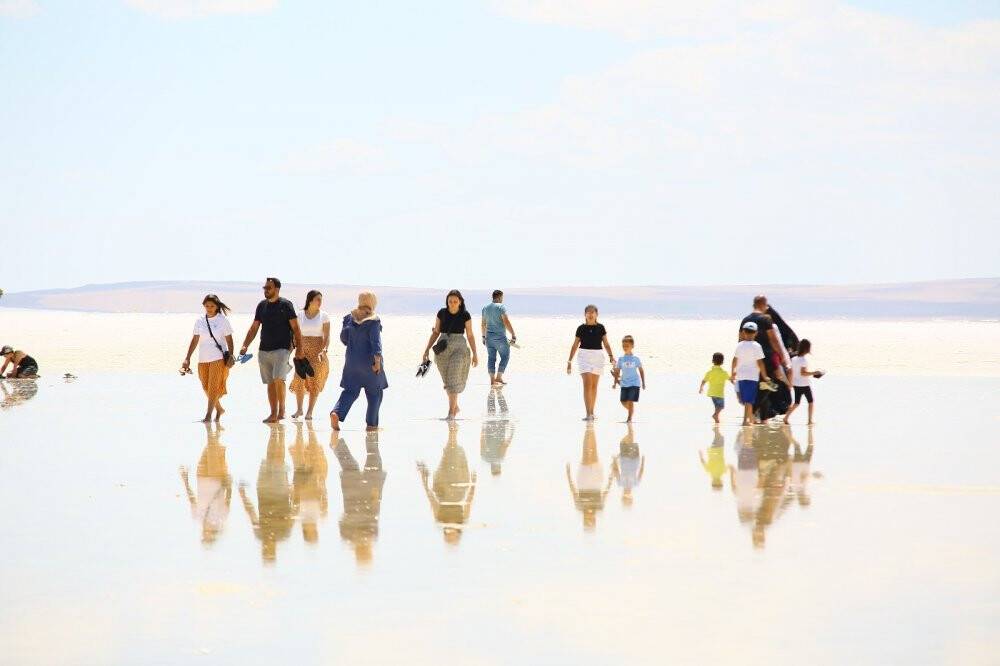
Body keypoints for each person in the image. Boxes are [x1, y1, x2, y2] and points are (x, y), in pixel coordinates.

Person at [239, 277, 304, 424]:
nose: (266, 290)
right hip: (264, 350)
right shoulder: (261, 306)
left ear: (277, 289)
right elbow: (254, 327)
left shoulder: (286, 305)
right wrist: (245, 345)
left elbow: (296, 328)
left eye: (269, 288)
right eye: (265, 288)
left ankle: (279, 411)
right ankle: (274, 412)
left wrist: (300, 349)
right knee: (270, 382)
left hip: (282, 349)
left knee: (278, 379)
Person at [330, 292, 387, 432]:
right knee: (375, 393)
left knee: (350, 391)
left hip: (351, 363)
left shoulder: (350, 318)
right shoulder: (374, 320)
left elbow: (344, 338)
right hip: (369, 363)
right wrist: (377, 361)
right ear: (373, 302)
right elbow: (376, 343)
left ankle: (337, 413)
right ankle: (371, 425)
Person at [422, 290, 479, 420]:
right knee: (448, 381)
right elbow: (436, 332)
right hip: (443, 350)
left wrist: (475, 354)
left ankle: (451, 413)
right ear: (447, 302)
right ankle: (455, 407)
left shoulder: (465, 315)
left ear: (460, 302)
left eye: (455, 301)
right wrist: (426, 350)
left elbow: (470, 335)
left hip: (459, 348)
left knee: (453, 379)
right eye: (450, 301)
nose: (452, 304)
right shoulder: (441, 313)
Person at [417, 423, 477, 545]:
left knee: (450, 454)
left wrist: (424, 480)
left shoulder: (440, 519)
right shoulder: (462, 520)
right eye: (452, 535)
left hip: (442, 488)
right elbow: (468, 502)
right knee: (452, 454)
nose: (450, 531)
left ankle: (452, 430)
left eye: (448, 535)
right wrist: (473, 484)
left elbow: (432, 500)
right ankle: (452, 430)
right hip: (458, 485)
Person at [333, 432, 386, 565]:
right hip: (352, 494)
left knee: (373, 456)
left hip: (366, 490)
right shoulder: (347, 536)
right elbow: (342, 520)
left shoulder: (371, 535)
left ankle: (338, 441)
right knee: (350, 466)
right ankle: (336, 443)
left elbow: (374, 508)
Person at [181, 294, 234, 422]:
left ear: (217, 306)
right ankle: (220, 409)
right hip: (203, 359)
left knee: (213, 387)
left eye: (212, 306)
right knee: (206, 387)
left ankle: (208, 415)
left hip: (218, 358)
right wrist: (187, 357)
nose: (209, 308)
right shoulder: (200, 321)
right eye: (207, 306)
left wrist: (231, 354)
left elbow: (229, 339)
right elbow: (195, 339)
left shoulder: (222, 320)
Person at [179, 422, 231, 545]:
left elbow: (191, 498)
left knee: (210, 447)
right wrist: (228, 484)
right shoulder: (221, 518)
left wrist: (185, 480)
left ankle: (215, 428)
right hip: (216, 477)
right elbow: (228, 499)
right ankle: (217, 429)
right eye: (206, 534)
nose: (204, 532)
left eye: (204, 534)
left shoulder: (198, 517)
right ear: (212, 533)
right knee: (213, 448)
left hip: (202, 476)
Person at [566, 305, 615, 421]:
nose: (590, 314)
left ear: (597, 314)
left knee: (594, 386)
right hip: (584, 356)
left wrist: (611, 356)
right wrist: (569, 361)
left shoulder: (601, 328)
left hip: (598, 356)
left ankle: (592, 412)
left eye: (593, 312)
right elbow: (574, 345)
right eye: (588, 312)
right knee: (587, 383)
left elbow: (606, 344)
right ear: (585, 314)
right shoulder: (581, 328)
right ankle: (588, 413)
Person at [289, 290, 331, 420]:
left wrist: (323, 350)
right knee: (299, 379)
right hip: (302, 350)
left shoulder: (324, 316)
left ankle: (310, 412)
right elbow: (295, 335)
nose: (320, 302)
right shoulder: (300, 315)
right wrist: (291, 351)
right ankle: (299, 409)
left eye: (321, 299)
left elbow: (326, 337)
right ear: (310, 300)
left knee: (314, 379)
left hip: (317, 351)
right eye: (317, 299)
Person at [565, 425, 613, 530]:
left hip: (586, 480)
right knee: (589, 452)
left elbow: (574, 492)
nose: (589, 517)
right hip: (592, 479)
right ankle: (590, 430)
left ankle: (590, 430)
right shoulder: (598, 507)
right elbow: (606, 491)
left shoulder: (580, 507)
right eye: (590, 520)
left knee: (589, 452)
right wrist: (611, 477)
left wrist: (568, 475)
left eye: (588, 520)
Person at [290, 422, 328, 544]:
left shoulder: (299, 517)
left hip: (305, 483)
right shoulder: (320, 515)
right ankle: (305, 428)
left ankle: (302, 429)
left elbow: (294, 498)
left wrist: (293, 488)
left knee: (303, 456)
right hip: (309, 483)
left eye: (311, 532)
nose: (313, 528)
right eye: (314, 532)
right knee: (309, 455)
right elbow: (324, 498)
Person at [740, 295, 790, 387]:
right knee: (774, 386)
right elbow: (773, 340)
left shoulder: (745, 320)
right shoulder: (766, 319)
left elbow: (741, 340)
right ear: (762, 304)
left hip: (751, 359)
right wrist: (782, 356)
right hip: (767, 359)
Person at [732, 321, 772, 426]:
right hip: (752, 376)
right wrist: (764, 376)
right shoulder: (757, 346)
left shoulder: (739, 345)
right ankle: (746, 421)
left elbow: (734, 360)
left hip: (741, 375)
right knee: (749, 400)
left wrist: (732, 373)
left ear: (743, 332)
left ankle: (750, 419)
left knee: (746, 399)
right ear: (756, 333)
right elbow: (760, 363)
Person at [480, 290, 517, 385]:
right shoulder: (501, 307)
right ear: (500, 297)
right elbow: (506, 321)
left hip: (489, 338)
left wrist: (483, 337)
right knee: (505, 356)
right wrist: (513, 334)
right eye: (502, 298)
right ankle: (499, 377)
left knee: (491, 358)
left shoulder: (485, 308)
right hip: (500, 337)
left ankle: (492, 380)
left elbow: (483, 324)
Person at [612, 335, 646, 422]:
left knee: (630, 400)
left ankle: (629, 418)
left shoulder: (636, 359)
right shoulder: (621, 359)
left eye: (627, 346)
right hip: (624, 383)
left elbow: (641, 371)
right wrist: (615, 382)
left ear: (632, 346)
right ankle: (631, 410)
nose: (625, 347)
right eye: (623, 346)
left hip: (634, 383)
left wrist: (643, 382)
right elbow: (617, 372)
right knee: (623, 401)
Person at [481, 388, 514, 476]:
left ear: (498, 468)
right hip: (489, 430)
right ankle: (492, 390)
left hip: (499, 430)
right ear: (491, 468)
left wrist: (512, 432)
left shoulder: (500, 458)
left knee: (504, 411)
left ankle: (498, 392)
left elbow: (505, 445)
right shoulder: (485, 458)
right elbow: (482, 442)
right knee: (491, 410)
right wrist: (483, 429)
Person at [784, 339, 817, 425]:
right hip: (804, 384)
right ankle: (809, 420)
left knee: (796, 403)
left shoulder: (794, 358)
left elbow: (791, 371)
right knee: (811, 402)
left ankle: (786, 417)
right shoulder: (804, 360)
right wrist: (815, 373)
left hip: (796, 384)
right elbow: (803, 373)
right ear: (807, 349)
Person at [611, 424, 644, 506]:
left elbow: (641, 471)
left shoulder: (634, 483)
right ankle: (630, 426)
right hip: (627, 459)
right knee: (626, 441)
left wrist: (642, 461)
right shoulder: (622, 483)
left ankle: (630, 427)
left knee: (628, 441)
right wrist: (615, 461)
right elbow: (616, 470)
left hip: (633, 459)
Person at [699, 352, 731, 423]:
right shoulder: (723, 372)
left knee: (717, 406)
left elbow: (704, 381)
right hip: (719, 393)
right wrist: (735, 382)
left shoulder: (710, 372)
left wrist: (701, 388)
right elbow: (730, 379)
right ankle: (715, 415)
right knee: (721, 406)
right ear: (722, 362)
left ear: (712, 361)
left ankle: (717, 419)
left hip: (712, 393)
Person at [699, 426, 727, 491]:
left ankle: (716, 430)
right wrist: (701, 455)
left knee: (720, 438)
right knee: (719, 438)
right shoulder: (710, 471)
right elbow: (703, 462)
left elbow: (726, 465)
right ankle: (716, 430)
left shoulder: (721, 472)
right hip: (713, 451)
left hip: (718, 450)